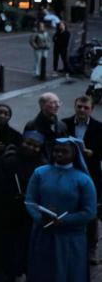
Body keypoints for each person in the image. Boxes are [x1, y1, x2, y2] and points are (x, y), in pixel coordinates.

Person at [25, 138, 97, 281]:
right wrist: (40, 218)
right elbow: (30, 201)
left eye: (64, 151)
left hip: (70, 239)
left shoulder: (83, 180)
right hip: (43, 235)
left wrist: (63, 220)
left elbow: (89, 211)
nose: (59, 154)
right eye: (56, 151)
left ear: (74, 154)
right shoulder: (40, 173)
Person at [0, 132, 47, 280]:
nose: (30, 148)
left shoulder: (43, 167)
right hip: (10, 213)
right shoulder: (9, 161)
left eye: (35, 146)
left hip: (30, 216)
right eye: (28, 143)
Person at [63, 95, 102, 262]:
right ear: (74, 106)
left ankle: (91, 248)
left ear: (91, 109)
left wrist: (91, 153)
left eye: (86, 108)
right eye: (79, 107)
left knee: (90, 212)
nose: (82, 110)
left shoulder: (99, 127)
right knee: (68, 207)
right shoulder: (64, 124)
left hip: (90, 174)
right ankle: (68, 244)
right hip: (68, 172)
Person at [24, 92, 68, 158]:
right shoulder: (32, 126)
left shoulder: (62, 125)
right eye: (53, 102)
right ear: (42, 105)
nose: (58, 105)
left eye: (59, 102)